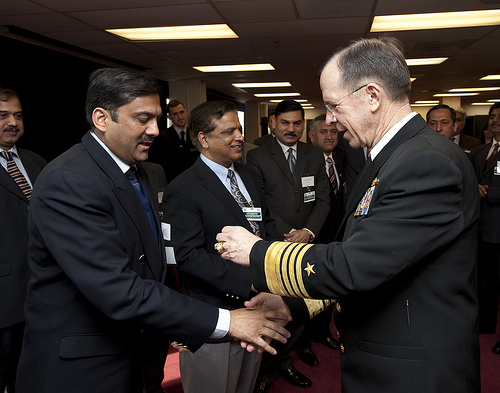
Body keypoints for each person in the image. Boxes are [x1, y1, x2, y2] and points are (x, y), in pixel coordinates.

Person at [217, 36, 480, 393]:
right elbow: (381, 261)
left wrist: (256, 251)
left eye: (334, 106)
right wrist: (294, 305)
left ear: (372, 96)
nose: (330, 120)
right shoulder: (391, 157)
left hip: (414, 372)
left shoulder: (425, 162)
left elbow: (356, 265)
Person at [14, 68, 291, 393]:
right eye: (143, 119)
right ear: (102, 118)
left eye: (157, 119)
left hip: (139, 351)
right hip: (85, 366)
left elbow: (150, 266)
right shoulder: (69, 180)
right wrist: (227, 321)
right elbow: (118, 289)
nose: (155, 130)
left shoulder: (139, 172)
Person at [163, 100, 278, 393]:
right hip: (215, 316)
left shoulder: (248, 175)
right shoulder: (183, 188)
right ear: (203, 138)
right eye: (229, 131)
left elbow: (262, 226)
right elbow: (188, 257)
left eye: (239, 129)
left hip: (259, 308)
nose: (239, 137)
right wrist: (253, 283)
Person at [246, 99, 330, 390]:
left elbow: (323, 199)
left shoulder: (315, 155)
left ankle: (302, 346)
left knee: (305, 299)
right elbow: (260, 202)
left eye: (297, 123)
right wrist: (288, 233)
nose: (291, 129)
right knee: (277, 306)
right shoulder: (256, 157)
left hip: (308, 243)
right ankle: (274, 366)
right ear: (272, 123)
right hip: (276, 243)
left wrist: (308, 230)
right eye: (285, 123)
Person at [0, 87, 46, 393]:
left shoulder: (36, 161)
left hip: (41, 294)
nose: (12, 122)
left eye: (17, 115)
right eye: (3, 115)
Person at [469, 102, 500, 353]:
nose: (494, 120)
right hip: (480, 228)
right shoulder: (481, 151)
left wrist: (489, 192)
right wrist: (474, 188)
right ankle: (485, 324)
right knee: (485, 282)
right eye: (492, 116)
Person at [147, 99, 199, 182]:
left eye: (181, 112)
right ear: (169, 117)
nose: (180, 117)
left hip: (196, 180)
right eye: (175, 114)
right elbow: (163, 165)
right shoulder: (162, 137)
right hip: (174, 182)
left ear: (186, 112)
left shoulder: (195, 134)